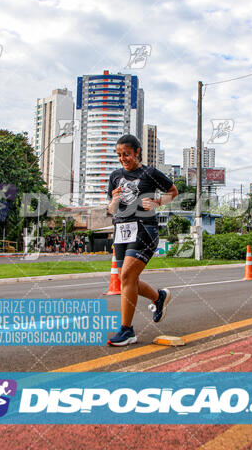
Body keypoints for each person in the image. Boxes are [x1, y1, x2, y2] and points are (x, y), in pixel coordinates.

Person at [107, 134, 178, 346]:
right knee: (127, 280)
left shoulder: (150, 173)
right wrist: (114, 199)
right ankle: (159, 297)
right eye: (119, 155)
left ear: (137, 152)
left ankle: (127, 330)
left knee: (127, 275)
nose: (123, 159)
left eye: (126, 154)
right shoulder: (114, 176)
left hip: (144, 229)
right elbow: (111, 209)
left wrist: (157, 202)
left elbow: (173, 191)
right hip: (121, 230)